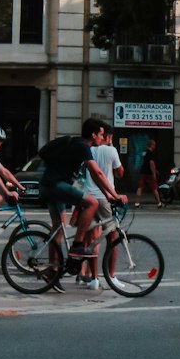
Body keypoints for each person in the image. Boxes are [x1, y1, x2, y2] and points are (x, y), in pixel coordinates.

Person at [39, 118, 127, 284]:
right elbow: (97, 173)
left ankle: (52, 271)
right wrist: (114, 195)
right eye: (101, 134)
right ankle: (77, 245)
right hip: (55, 185)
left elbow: (95, 176)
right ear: (93, 135)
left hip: (48, 185)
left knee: (58, 227)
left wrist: (108, 195)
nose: (102, 138)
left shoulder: (78, 144)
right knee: (91, 203)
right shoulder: (83, 146)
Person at [79, 123, 126, 290]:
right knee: (112, 238)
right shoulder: (111, 150)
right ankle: (111, 276)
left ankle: (94, 278)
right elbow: (120, 172)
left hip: (88, 196)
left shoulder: (89, 150)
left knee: (91, 239)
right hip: (104, 199)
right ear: (108, 137)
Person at [133, 138, 161, 208]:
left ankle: (137, 203)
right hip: (149, 173)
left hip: (143, 172)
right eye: (154, 145)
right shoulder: (150, 153)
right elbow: (151, 164)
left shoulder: (145, 153)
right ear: (151, 145)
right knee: (154, 188)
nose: (155, 146)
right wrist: (154, 173)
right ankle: (159, 203)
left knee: (140, 187)